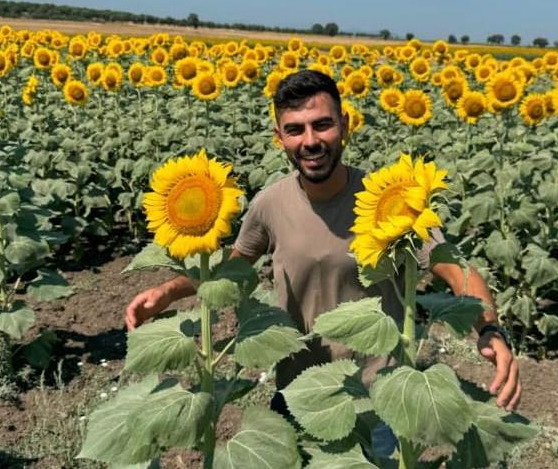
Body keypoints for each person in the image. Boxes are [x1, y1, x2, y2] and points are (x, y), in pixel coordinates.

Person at [125, 70, 521, 412]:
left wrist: (490, 330)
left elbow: (457, 271)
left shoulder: (387, 200)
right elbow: (231, 266)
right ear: (280, 137)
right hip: (298, 385)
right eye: (295, 130)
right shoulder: (270, 204)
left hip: (374, 392)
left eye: (322, 124)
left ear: (345, 125)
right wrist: (168, 292)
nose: (310, 141)